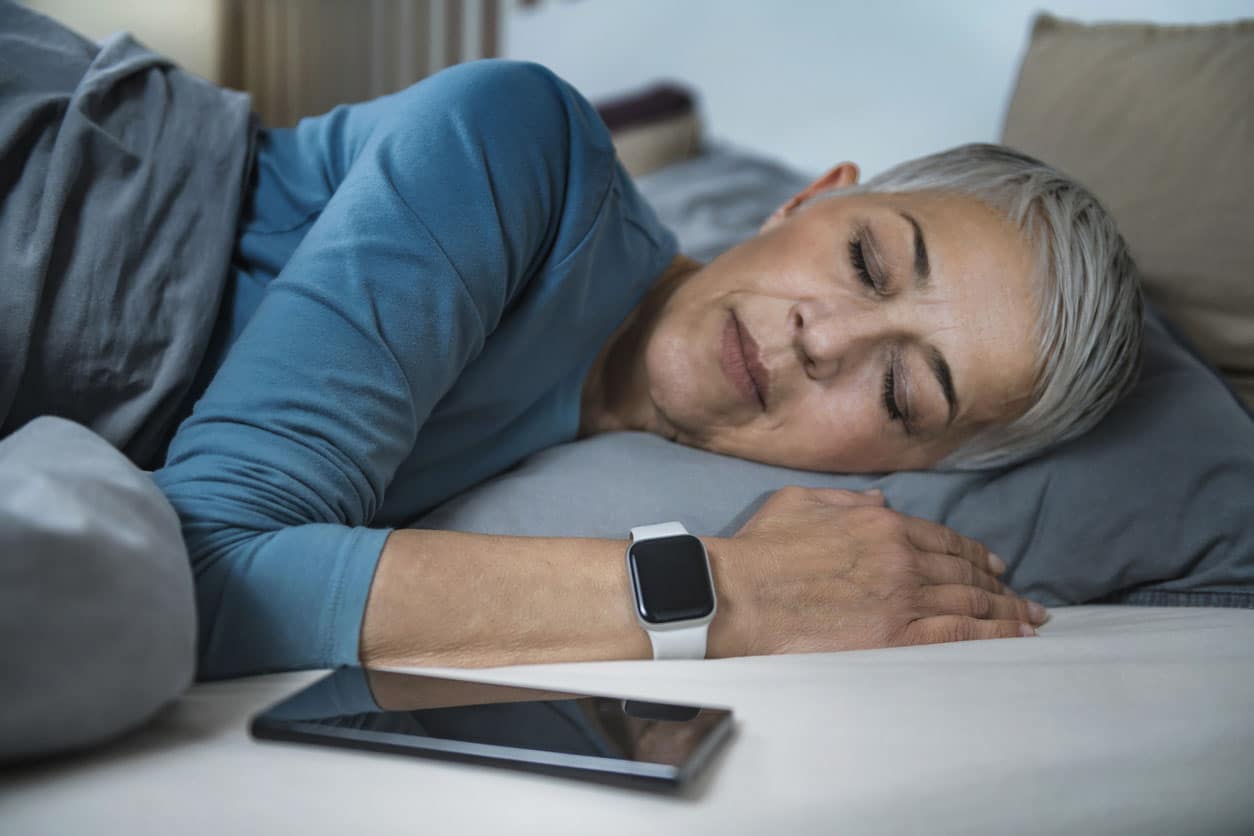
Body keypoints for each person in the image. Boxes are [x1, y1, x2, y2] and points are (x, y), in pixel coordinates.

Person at [1, 4, 1142, 680]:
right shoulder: (524, 140)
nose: (825, 338)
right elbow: (195, 561)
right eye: (868, 262)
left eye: (902, 388)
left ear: (914, 469)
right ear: (806, 199)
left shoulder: (609, 462)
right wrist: (735, 593)